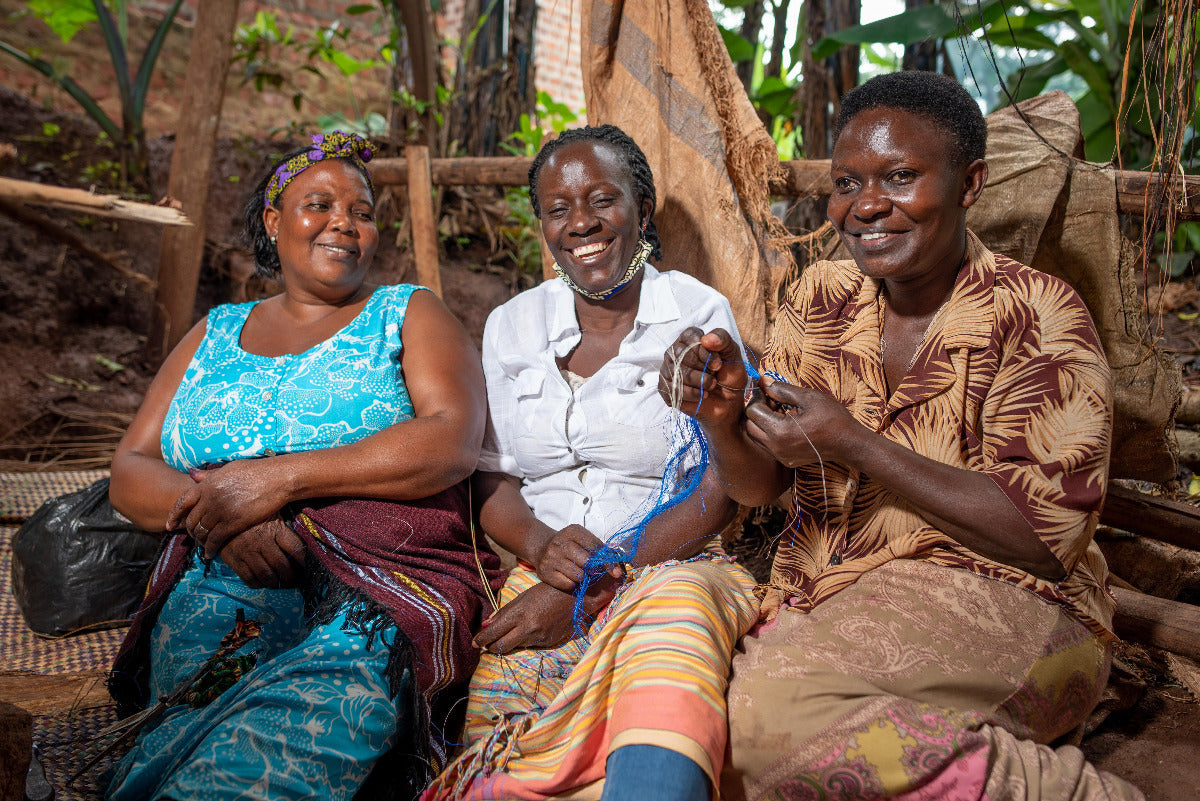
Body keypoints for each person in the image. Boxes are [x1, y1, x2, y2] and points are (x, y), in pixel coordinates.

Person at [663, 72, 1145, 800]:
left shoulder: (1037, 314)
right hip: (833, 593)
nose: (865, 206)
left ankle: (1067, 791)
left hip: (1018, 603)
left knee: (761, 724)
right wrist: (721, 416)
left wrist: (858, 443)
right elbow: (766, 486)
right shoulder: (820, 295)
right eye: (847, 182)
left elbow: (1044, 541)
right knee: (693, 708)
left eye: (900, 177)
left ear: (969, 183)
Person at [104, 132, 503, 801]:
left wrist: (273, 480)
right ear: (273, 219)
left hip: (373, 587)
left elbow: (451, 440)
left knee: (294, 729)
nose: (345, 221)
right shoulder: (214, 332)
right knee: (197, 717)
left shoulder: (405, 312)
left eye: (363, 210)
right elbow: (131, 468)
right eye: (319, 203)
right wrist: (221, 519)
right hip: (223, 583)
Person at [422, 125, 759, 801]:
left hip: (672, 565)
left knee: (672, 649)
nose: (581, 222)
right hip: (540, 574)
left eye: (602, 199)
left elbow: (723, 486)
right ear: (542, 223)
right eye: (557, 208)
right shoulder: (511, 324)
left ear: (641, 208)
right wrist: (543, 548)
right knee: (501, 723)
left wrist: (600, 577)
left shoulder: (696, 313)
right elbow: (494, 478)